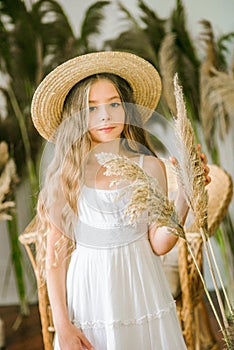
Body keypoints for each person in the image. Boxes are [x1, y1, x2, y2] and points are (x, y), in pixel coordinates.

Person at [31, 51, 210, 350]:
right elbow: (55, 257)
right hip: (90, 296)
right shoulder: (68, 174)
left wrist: (187, 194)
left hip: (141, 288)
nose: (105, 115)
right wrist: (62, 324)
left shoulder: (148, 166)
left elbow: (158, 242)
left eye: (114, 103)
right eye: (92, 108)